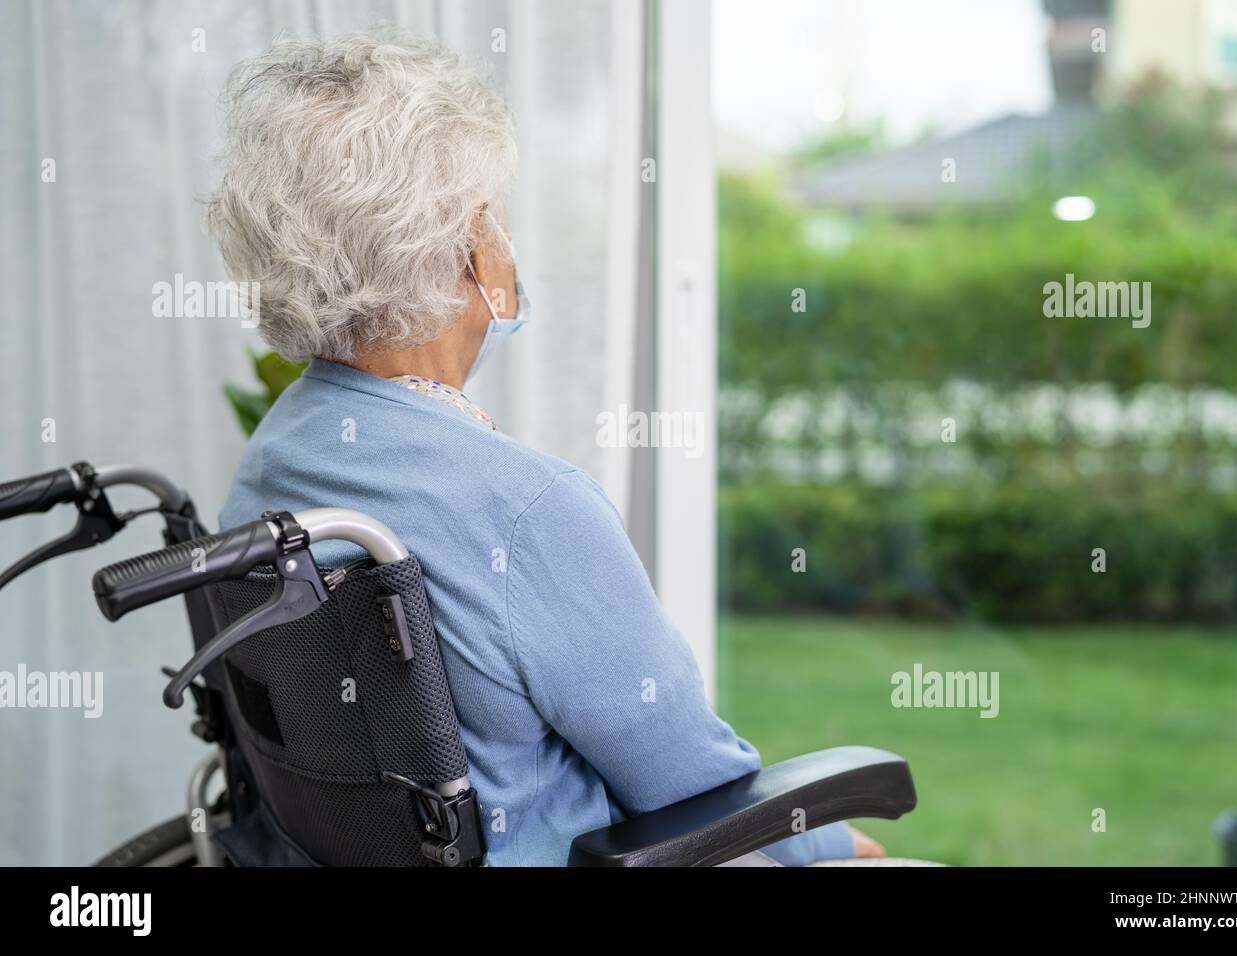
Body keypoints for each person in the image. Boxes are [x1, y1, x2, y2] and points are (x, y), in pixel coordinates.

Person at [209, 30, 884, 866]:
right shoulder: (526, 511)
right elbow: (690, 781)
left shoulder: (274, 457)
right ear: (465, 253)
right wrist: (833, 848)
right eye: (493, 217)